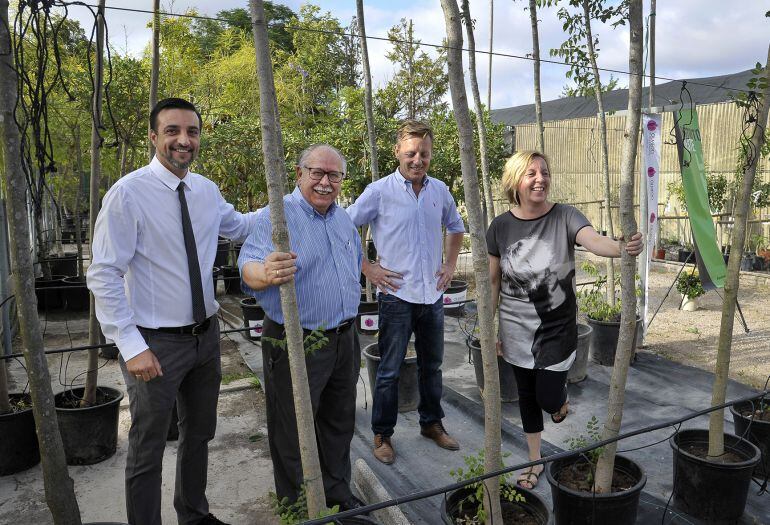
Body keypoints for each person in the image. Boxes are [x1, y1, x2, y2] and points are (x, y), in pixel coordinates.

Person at [88, 98, 258, 525]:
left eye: (192, 132)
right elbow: (104, 274)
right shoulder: (128, 194)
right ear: (153, 137)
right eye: (172, 131)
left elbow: (240, 226)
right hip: (155, 344)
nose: (184, 140)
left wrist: (296, 197)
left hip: (205, 337)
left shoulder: (206, 191)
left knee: (198, 435)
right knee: (147, 447)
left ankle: (194, 515)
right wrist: (131, 346)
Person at [486, 150, 643, 489]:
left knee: (546, 397)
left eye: (544, 172)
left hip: (557, 328)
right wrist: (492, 329)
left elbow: (594, 242)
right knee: (526, 396)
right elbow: (494, 281)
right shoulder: (500, 227)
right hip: (514, 328)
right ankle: (534, 461)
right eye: (531, 173)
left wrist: (622, 247)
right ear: (515, 181)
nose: (540, 179)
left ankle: (560, 399)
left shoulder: (565, 216)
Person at [238, 144, 365, 512]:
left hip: (345, 338)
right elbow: (247, 266)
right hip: (296, 340)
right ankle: (298, 507)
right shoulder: (276, 216)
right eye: (317, 173)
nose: (326, 182)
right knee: (293, 428)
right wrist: (265, 272)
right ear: (298, 174)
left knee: (339, 421)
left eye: (334, 175)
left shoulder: (343, 219)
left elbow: (355, 261)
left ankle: (337, 496)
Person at [347, 120, 465, 465]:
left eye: (424, 154)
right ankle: (382, 433)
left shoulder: (439, 190)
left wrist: (450, 265)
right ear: (397, 151)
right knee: (389, 369)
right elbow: (345, 226)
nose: (418, 160)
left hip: (432, 296)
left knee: (433, 366)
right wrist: (368, 268)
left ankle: (431, 423)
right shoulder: (379, 191)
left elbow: (456, 227)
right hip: (396, 296)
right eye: (411, 152)